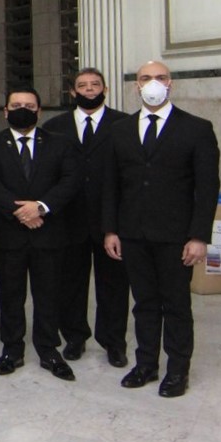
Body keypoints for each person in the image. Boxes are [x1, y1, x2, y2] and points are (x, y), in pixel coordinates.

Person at [103, 61, 220, 398]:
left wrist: (199, 236)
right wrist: (111, 230)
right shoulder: (120, 130)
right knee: (144, 303)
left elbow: (207, 187)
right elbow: (110, 184)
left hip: (176, 236)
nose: (153, 83)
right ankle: (146, 364)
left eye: (160, 77)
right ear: (136, 86)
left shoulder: (196, 128)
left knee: (176, 304)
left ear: (171, 84)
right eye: (145, 78)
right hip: (133, 233)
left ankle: (178, 370)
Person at [0, 85, 78, 382]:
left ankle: (48, 349)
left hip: (49, 232)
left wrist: (41, 207)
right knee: (10, 294)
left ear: (39, 110)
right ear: (5, 111)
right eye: (16, 105)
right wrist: (20, 211)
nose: (22, 110)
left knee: (48, 294)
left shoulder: (60, 143)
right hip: (7, 233)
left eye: (29, 105)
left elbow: (70, 180)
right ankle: (12, 349)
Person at [43, 68, 130, 368]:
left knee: (114, 285)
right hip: (68, 219)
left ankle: (113, 342)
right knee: (69, 283)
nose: (89, 89)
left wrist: (117, 222)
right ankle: (74, 337)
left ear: (105, 89)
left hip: (111, 220)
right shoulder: (55, 127)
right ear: (73, 92)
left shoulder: (124, 124)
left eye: (95, 84)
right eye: (82, 85)